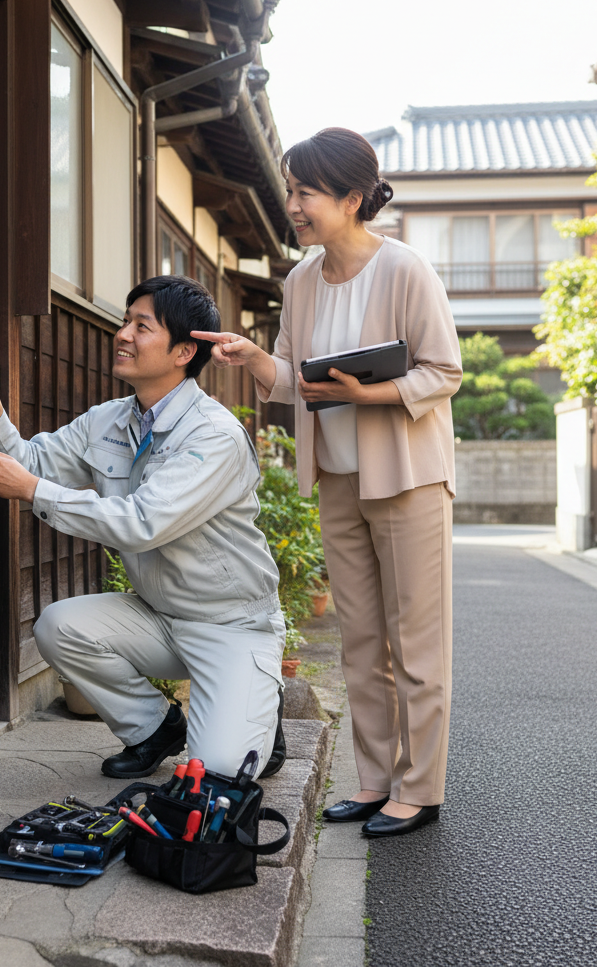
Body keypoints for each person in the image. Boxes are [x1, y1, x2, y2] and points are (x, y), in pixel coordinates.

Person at [192, 127, 462, 837]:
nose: (294, 205)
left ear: (351, 197)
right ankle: (375, 782)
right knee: (362, 642)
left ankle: (419, 788)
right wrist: (253, 358)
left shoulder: (405, 269)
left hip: (406, 478)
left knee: (418, 645)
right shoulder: (300, 280)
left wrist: (370, 394)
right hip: (338, 479)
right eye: (291, 190)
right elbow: (292, 378)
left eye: (304, 192)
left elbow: (443, 372)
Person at [0, 275, 287, 781]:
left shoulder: (214, 435)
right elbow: (30, 462)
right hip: (160, 617)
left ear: (183, 352)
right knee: (58, 626)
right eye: (125, 321)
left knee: (217, 772)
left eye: (142, 326)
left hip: (230, 624)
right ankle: (153, 730)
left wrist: (30, 490)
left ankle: (259, 699)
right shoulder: (109, 419)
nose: (123, 334)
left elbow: (141, 523)